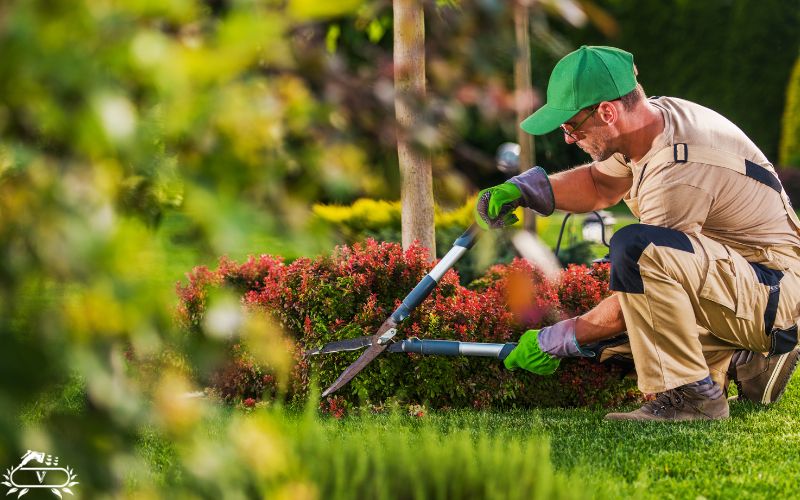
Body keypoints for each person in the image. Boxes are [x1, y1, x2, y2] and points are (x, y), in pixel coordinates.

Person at [475, 45, 800, 421]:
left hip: (772, 294)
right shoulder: (652, 123)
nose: (567, 138)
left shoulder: (678, 170)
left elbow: (646, 274)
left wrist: (556, 340)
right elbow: (600, 185)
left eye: (572, 126)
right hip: (752, 278)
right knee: (624, 328)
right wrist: (527, 191)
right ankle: (746, 361)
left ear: (608, 112)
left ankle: (696, 398)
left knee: (633, 257)